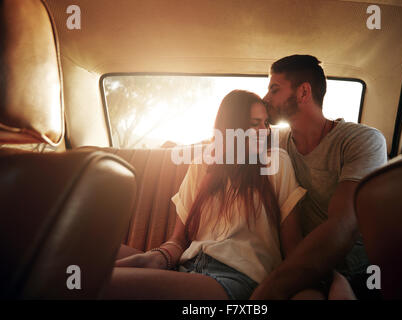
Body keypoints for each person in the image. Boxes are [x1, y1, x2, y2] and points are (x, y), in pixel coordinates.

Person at [102, 90, 308, 300]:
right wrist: (157, 257)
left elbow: (294, 249)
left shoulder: (275, 162)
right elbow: (178, 240)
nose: (263, 131)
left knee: (95, 285)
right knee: (83, 255)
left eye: (266, 124)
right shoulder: (202, 164)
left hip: (236, 278)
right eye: (255, 124)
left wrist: (327, 278)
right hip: (187, 266)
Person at [250, 55, 387, 300]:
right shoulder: (279, 141)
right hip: (303, 268)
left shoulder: (361, 140)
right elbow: (234, 143)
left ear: (303, 92)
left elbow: (343, 225)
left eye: (274, 89)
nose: (265, 98)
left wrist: (267, 291)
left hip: (356, 272)